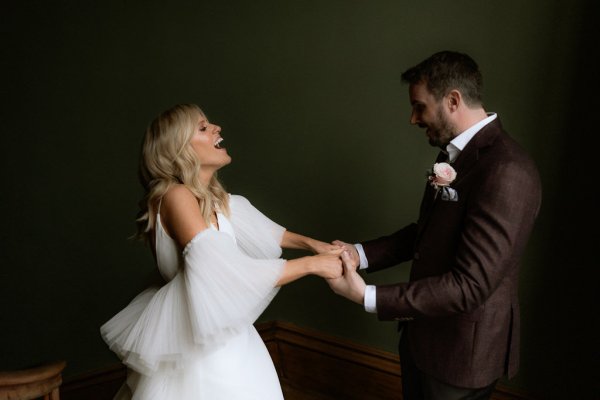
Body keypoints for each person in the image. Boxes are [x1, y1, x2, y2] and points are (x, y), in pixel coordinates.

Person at [328, 51, 542, 400]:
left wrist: (366, 296)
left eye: (420, 107)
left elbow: (470, 285)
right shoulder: (452, 155)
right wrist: (359, 254)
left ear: (453, 100)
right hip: (422, 339)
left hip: (460, 357)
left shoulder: (508, 171)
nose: (413, 118)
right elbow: (426, 234)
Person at [100, 103, 343, 399]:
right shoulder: (175, 196)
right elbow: (224, 274)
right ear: (179, 150)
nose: (217, 128)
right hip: (202, 352)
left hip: (231, 338)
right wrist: (313, 265)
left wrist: (314, 244)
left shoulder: (214, 199)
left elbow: (267, 232)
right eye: (203, 128)